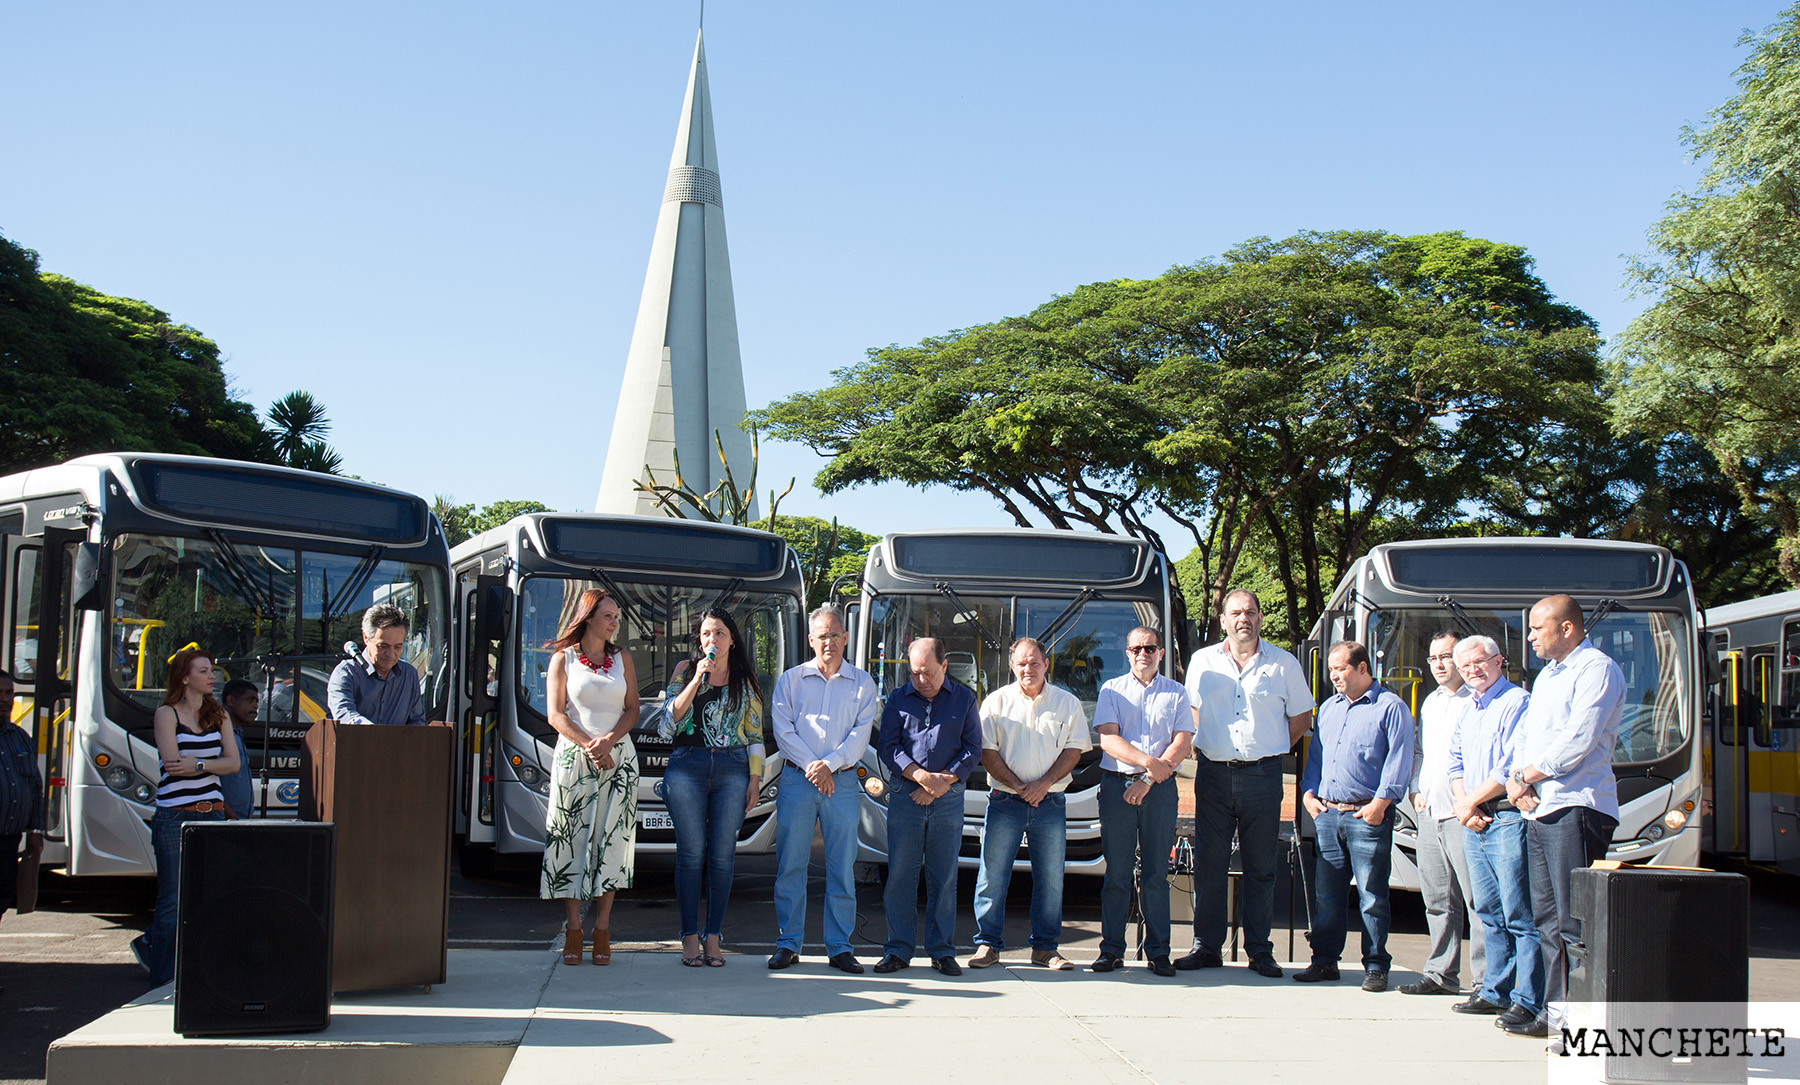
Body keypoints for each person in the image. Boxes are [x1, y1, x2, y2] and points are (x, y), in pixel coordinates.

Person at [1179, 589, 1315, 977]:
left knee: (1261, 867)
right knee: (1209, 865)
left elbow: (1301, 717)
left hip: (1263, 775)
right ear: (1223, 620)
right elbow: (1192, 711)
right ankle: (1206, 946)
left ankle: (1259, 950)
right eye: (1236, 612)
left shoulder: (1284, 663)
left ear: (1259, 618)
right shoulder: (1202, 662)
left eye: (1251, 612)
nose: (1244, 618)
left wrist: (1269, 748)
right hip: (1214, 775)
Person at [1509, 594, 1625, 1040]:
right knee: (1548, 919)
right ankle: (1556, 1012)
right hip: (1540, 807)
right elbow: (1528, 737)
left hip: (1577, 805)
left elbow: (1579, 738)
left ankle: (1585, 1021)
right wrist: (1518, 783)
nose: (1532, 637)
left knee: (1576, 921)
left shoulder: (1596, 669)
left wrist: (1526, 776)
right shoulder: (1548, 677)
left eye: (1538, 628)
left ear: (1567, 629)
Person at [768, 604, 879, 974]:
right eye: (822, 636)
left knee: (842, 866)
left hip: (842, 781)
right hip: (797, 780)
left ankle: (840, 947)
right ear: (811, 640)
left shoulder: (863, 683)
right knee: (791, 865)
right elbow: (783, 732)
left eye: (835, 634)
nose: (828, 642)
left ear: (845, 638)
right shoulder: (791, 680)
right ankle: (788, 943)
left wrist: (828, 766)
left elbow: (859, 737)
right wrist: (816, 768)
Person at [1297, 641, 1414, 990]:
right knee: (1327, 895)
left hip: (1367, 816)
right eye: (1331, 669)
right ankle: (1324, 961)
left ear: (1362, 668)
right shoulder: (1330, 708)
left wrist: (1380, 804)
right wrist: (1308, 793)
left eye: (1341, 668)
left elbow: (1400, 759)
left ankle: (1376, 965)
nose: (1334, 675)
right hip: (1328, 814)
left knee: (1372, 895)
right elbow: (1315, 755)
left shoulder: (1390, 708)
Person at [969, 637, 1091, 971]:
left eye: (1034, 662)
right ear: (1012, 666)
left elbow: (1074, 751)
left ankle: (1045, 949)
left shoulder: (1067, 703)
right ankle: (987, 945)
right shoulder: (995, 703)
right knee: (992, 876)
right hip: (1004, 801)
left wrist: (1042, 785)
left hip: (1051, 803)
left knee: (1051, 880)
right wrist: (1021, 786)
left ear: (1046, 663)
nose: (1028, 668)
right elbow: (987, 753)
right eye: (1021, 663)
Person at [539, 589, 640, 967]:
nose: (615, 622)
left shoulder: (622, 659)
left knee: (611, 842)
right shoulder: (562, 659)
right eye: (608, 615)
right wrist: (589, 745)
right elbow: (556, 714)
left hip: (618, 760)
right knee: (572, 841)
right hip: (575, 759)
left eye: (617, 616)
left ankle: (601, 928)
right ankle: (573, 929)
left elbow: (632, 710)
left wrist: (609, 743)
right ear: (588, 616)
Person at [1447, 634, 1542, 1032]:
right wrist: (1462, 805)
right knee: (1486, 910)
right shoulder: (1467, 708)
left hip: (1505, 818)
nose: (1473, 670)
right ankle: (1494, 990)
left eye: (1480, 662)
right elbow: (1454, 762)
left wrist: (1469, 803)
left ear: (1499, 661)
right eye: (1465, 665)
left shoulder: (1517, 702)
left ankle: (1527, 998)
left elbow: (1510, 767)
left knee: (1519, 912)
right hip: (1473, 820)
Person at [130, 648, 241, 987]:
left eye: (212, 670)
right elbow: (173, 765)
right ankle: (162, 979)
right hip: (174, 817)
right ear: (184, 677)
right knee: (172, 901)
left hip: (213, 816)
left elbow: (233, 763)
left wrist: (200, 765)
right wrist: (203, 766)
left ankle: (202, 976)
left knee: (211, 898)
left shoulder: (218, 714)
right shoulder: (167, 713)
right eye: (203, 671)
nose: (212, 676)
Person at [661, 607, 764, 968]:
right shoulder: (685, 670)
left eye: (719, 633)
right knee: (690, 856)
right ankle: (690, 935)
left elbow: (754, 734)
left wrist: (754, 779)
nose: (712, 640)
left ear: (732, 640)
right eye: (706, 634)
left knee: (722, 857)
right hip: (687, 765)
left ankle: (714, 936)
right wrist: (695, 681)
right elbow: (667, 723)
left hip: (733, 769)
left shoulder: (744, 678)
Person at [874, 637, 982, 977]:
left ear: (944, 665)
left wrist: (940, 784)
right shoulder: (897, 698)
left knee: (944, 876)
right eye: (916, 673)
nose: (922, 680)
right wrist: (921, 777)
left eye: (929, 673)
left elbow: (972, 749)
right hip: (907, 794)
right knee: (901, 875)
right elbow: (888, 747)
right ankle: (898, 949)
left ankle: (942, 951)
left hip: (948, 798)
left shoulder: (964, 698)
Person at [1092, 626, 1192, 976]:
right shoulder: (1111, 690)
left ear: (1161, 653)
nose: (1142, 654)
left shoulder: (1177, 693)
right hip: (1118, 788)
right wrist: (1147, 761)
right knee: (1117, 874)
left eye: (1150, 648)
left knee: (1155, 874)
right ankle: (1111, 951)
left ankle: (1159, 953)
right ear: (1127, 653)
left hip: (1159, 790)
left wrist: (1149, 778)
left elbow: (1182, 743)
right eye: (1136, 648)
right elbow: (1109, 741)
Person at [1400, 630, 1484, 996]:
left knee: (1477, 902)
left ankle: (1486, 981)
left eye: (1446, 656)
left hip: (1464, 815)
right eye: (1433, 658)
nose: (1438, 664)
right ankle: (1441, 974)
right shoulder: (1431, 702)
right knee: (1437, 901)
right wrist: (1415, 787)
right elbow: (1420, 751)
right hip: (1430, 812)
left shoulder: (1478, 700)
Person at [327, 604, 426, 726]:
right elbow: (344, 714)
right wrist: (375, 734)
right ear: (366, 638)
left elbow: (417, 721)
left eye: (397, 647)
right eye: (383, 646)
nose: (391, 654)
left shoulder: (409, 674)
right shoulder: (346, 673)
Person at [1, 670, 45, 929]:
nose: (5, 699)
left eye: (9, 693)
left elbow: (35, 786)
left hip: (9, 841)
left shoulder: (19, 738)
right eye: (0, 693)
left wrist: (36, 830)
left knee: (2, 899)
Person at [217, 679, 258, 819]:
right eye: (250, 700)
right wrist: (231, 817)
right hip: (223, 820)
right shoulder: (217, 733)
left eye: (257, 701)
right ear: (230, 700)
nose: (255, 706)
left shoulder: (238, 732)